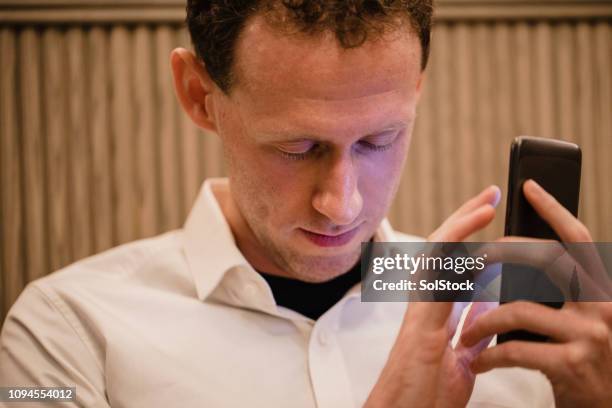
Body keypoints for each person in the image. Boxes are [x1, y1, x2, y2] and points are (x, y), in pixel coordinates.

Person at [1, 1, 610, 407]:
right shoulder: (64, 333)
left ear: (416, 89)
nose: (340, 204)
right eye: (297, 148)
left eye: (379, 140)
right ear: (198, 94)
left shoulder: (518, 315)